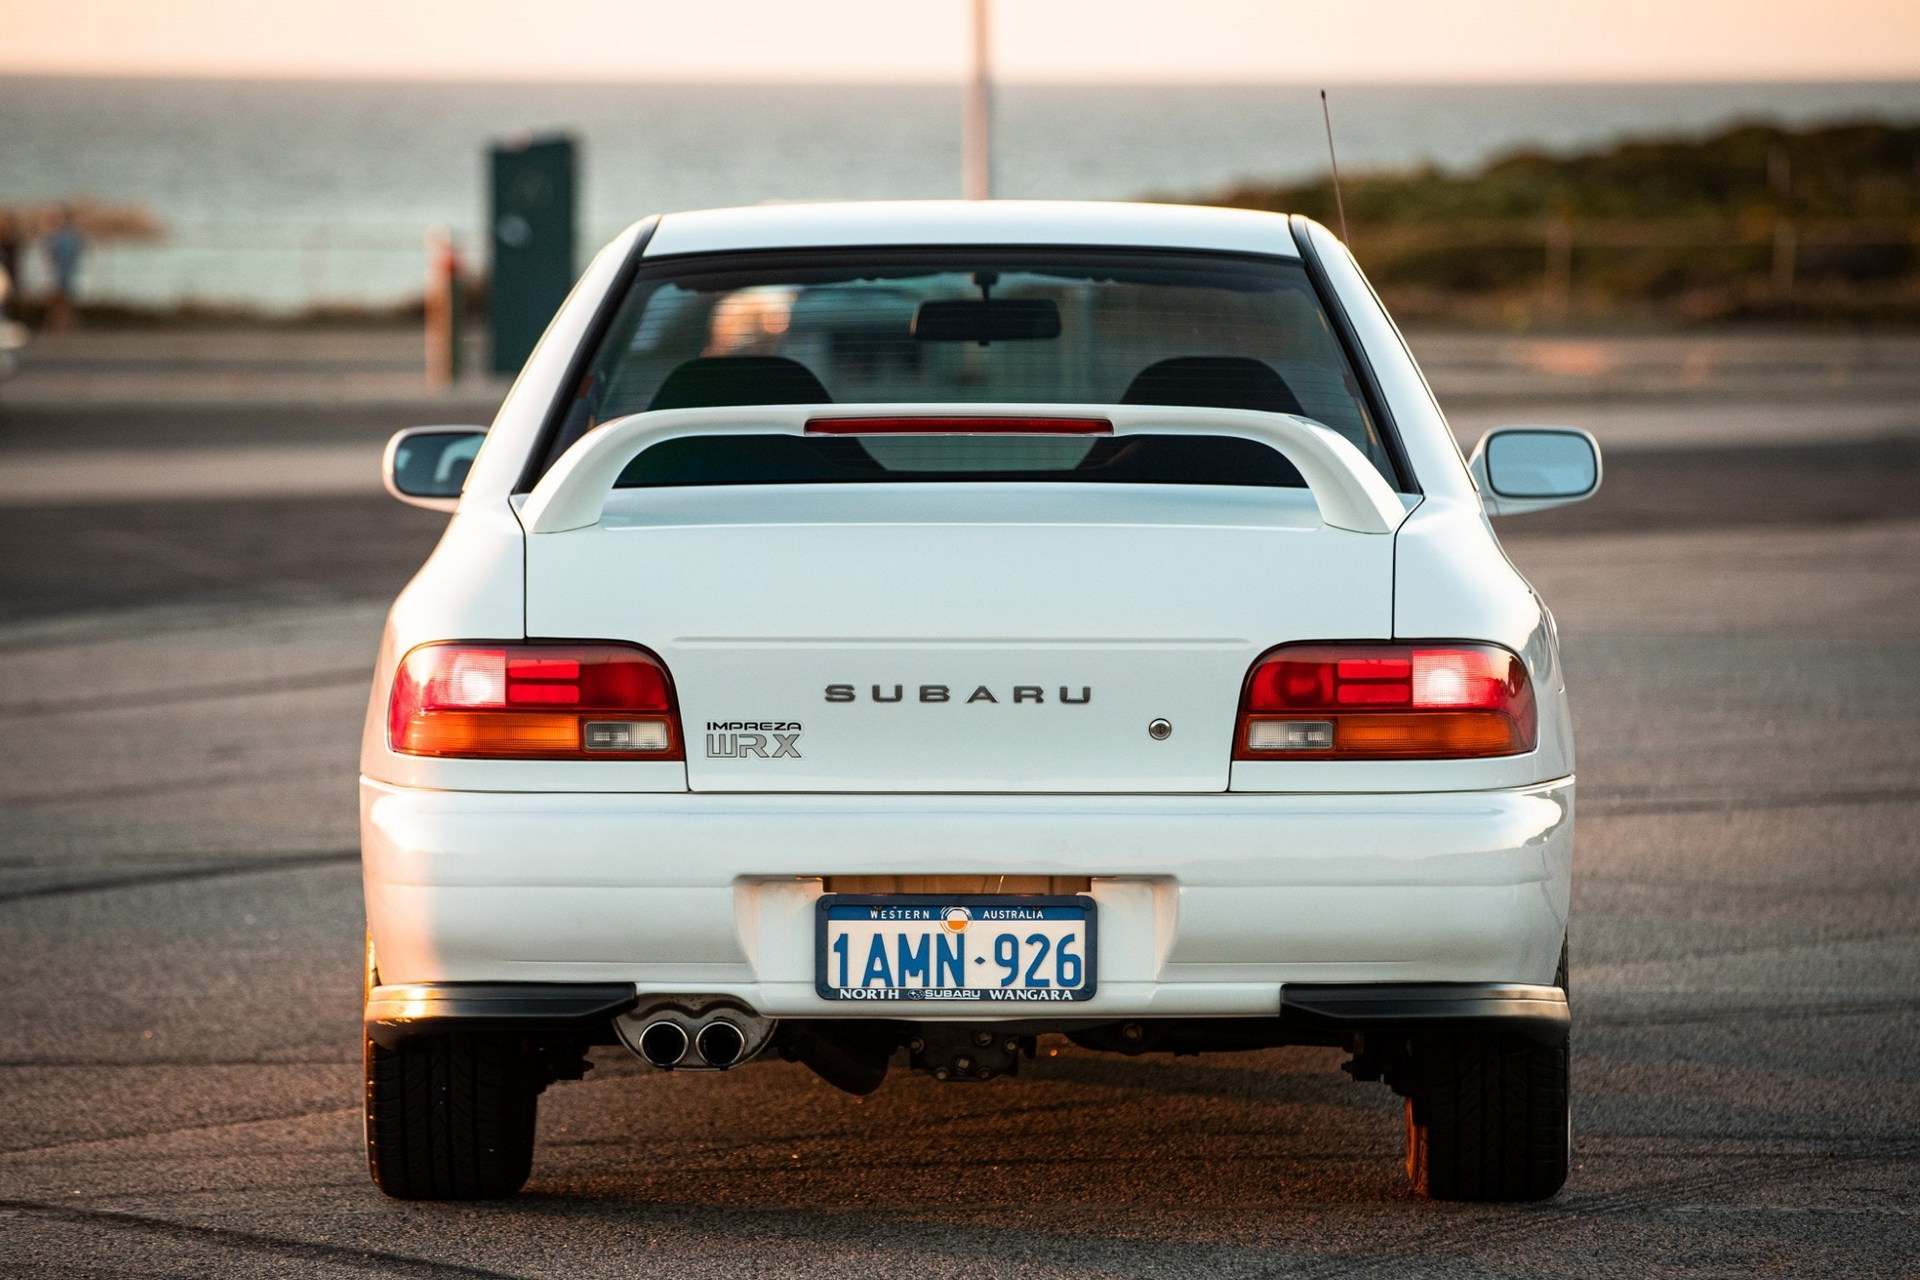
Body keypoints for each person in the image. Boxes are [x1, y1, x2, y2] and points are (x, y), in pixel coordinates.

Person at [44, 206, 84, 331]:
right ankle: (66, 324)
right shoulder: (73, 236)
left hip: (61, 271)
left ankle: (59, 324)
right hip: (68, 271)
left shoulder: (58, 237)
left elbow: (51, 253)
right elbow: (79, 251)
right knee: (66, 298)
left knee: (59, 298)